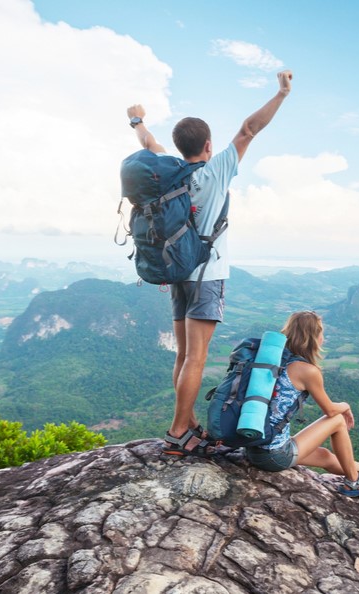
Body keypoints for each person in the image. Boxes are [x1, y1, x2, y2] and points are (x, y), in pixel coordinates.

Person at [126, 70, 294, 457]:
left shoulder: (169, 173)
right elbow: (249, 129)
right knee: (197, 358)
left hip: (177, 273)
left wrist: (137, 121)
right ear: (207, 144)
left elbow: (148, 143)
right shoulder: (216, 170)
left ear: (178, 146)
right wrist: (281, 93)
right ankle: (178, 431)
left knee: (184, 356)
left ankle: (187, 424)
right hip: (207, 274)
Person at [245, 311, 359, 497]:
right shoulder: (307, 370)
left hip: (253, 448)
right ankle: (354, 481)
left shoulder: (272, 361)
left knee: (324, 455)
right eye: (321, 333)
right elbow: (330, 410)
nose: (323, 338)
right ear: (313, 337)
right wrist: (346, 405)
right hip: (273, 455)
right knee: (338, 420)